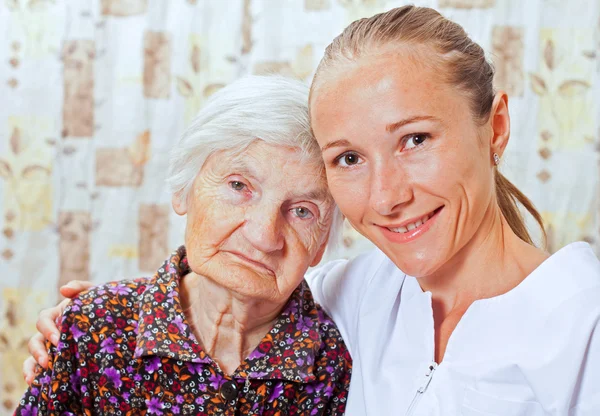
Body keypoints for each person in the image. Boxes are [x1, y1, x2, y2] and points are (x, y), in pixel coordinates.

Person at [25, 5, 600, 415]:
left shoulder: (584, 324)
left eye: (416, 139)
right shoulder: (355, 293)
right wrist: (86, 326)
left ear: (495, 126)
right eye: (349, 158)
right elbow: (242, 270)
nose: (387, 196)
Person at [16, 75, 351, 415]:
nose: (264, 235)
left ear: (321, 243)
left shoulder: (342, 363)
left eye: (302, 212)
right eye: (239, 186)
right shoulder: (91, 325)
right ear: (183, 190)